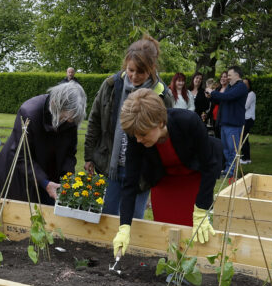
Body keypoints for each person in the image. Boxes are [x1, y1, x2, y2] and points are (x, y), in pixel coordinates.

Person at [112, 89, 223, 256]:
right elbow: (130, 181)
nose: (139, 140)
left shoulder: (189, 122)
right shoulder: (136, 136)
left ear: (159, 123)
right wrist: (124, 226)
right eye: (135, 136)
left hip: (193, 177)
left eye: (143, 134)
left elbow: (209, 166)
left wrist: (201, 209)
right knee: (165, 235)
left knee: (193, 235)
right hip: (164, 181)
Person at [84, 35, 174, 219]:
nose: (134, 76)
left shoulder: (162, 95)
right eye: (130, 70)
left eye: (140, 72)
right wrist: (89, 155)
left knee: (134, 219)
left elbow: (165, 135)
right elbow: (94, 120)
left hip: (142, 170)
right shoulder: (110, 85)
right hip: (110, 165)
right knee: (106, 217)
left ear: (151, 69)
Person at [0, 82, 87, 204]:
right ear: (55, 105)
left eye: (72, 119)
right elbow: (20, 156)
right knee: (21, 216)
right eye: (66, 117)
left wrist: (68, 180)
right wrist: (45, 182)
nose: (70, 121)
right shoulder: (29, 113)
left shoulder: (71, 118)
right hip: (21, 175)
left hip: (49, 174)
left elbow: (69, 153)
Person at [206, 66, 248, 177]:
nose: (228, 77)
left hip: (234, 124)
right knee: (226, 149)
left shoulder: (241, 87)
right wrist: (211, 96)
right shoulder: (230, 86)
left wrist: (213, 92)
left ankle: (232, 171)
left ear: (237, 75)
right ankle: (228, 170)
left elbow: (228, 97)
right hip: (225, 123)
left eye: (229, 75)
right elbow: (223, 100)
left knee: (232, 149)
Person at [240, 78, 256, 165]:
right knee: (243, 138)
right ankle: (246, 157)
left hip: (248, 119)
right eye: (243, 84)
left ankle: (246, 158)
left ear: (249, 85)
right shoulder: (244, 94)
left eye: (246, 84)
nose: (244, 86)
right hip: (244, 119)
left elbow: (245, 106)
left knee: (244, 138)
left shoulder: (251, 94)